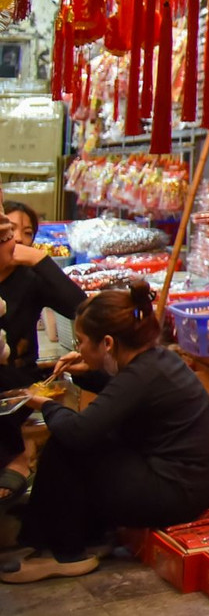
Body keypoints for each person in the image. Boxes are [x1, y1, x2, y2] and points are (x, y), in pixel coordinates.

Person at [4, 281, 209, 583]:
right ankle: (90, 536)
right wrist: (88, 373)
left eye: (81, 342)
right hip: (189, 484)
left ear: (107, 343)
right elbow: (120, 398)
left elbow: (78, 432)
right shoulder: (154, 361)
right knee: (86, 438)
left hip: (177, 493)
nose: (78, 349)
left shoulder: (141, 374)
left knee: (67, 443)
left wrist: (44, 405)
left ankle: (63, 553)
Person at [0, 213, 83, 505]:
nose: (18, 241)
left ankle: (18, 457)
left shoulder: (29, 278)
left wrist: (40, 260)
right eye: (9, 233)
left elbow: (81, 308)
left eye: (26, 234)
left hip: (16, 381)